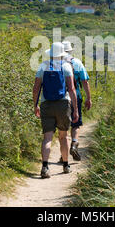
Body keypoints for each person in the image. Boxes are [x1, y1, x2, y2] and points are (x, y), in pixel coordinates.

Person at [33, 42, 79, 179]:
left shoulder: (43, 66)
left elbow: (36, 88)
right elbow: (71, 89)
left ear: (51, 54)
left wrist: (35, 105)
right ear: (62, 54)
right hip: (63, 104)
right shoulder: (66, 66)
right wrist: (75, 109)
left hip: (46, 104)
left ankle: (45, 167)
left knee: (47, 137)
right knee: (63, 136)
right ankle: (65, 165)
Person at [60, 41, 92, 162]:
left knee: (63, 128)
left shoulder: (55, 63)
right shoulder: (77, 62)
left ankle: (63, 154)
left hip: (60, 99)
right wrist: (89, 98)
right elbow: (85, 81)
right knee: (76, 124)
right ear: (70, 51)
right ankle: (74, 143)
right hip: (75, 97)